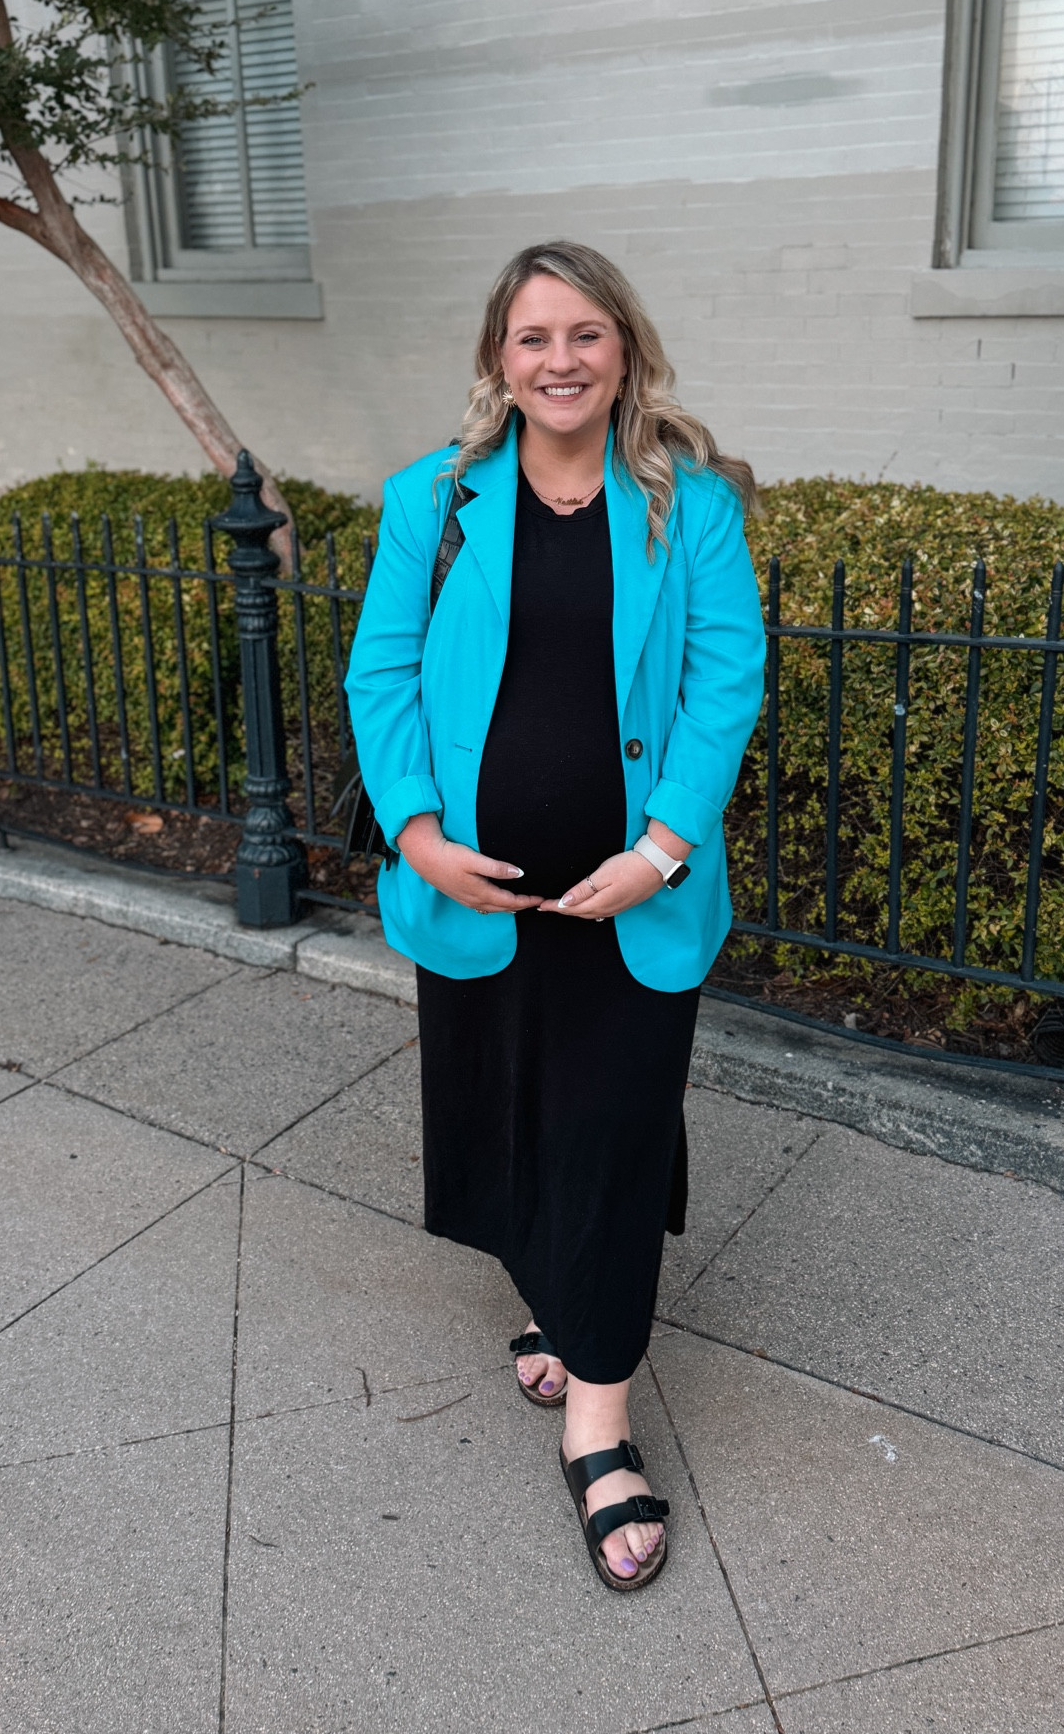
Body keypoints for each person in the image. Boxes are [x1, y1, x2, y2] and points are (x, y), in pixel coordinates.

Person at [346, 242, 764, 1591]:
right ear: (499, 359)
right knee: (513, 1112)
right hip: (479, 892)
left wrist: (663, 850)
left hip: (631, 900)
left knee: (611, 1130)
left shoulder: (690, 505)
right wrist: (420, 837)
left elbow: (724, 682)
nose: (561, 359)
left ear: (624, 348)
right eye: (534, 337)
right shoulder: (433, 499)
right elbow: (381, 673)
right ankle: (556, 1295)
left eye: (586, 333)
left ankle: (599, 1414)